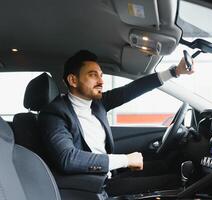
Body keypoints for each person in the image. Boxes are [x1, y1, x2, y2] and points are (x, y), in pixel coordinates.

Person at [38, 50, 194, 196]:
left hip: (110, 173)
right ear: (73, 80)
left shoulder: (97, 104)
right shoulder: (54, 114)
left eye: (101, 75)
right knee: (174, 182)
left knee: (167, 165)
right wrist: (126, 160)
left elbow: (131, 90)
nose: (101, 81)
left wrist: (175, 72)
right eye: (93, 75)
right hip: (93, 185)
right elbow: (68, 159)